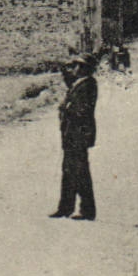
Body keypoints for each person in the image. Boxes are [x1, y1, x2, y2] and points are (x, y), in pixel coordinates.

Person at [49, 54, 99, 221]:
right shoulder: (78, 84)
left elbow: (81, 110)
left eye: (77, 66)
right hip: (72, 134)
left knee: (80, 172)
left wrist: (66, 108)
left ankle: (87, 210)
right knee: (69, 171)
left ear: (84, 68)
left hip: (79, 134)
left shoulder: (88, 84)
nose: (74, 69)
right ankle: (65, 207)